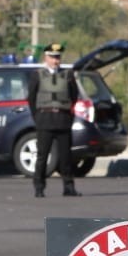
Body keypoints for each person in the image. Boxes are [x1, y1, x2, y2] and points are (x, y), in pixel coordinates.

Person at [26, 42, 80, 198]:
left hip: (63, 119)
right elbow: (31, 98)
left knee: (66, 156)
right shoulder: (37, 75)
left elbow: (74, 96)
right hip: (45, 119)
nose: (56, 60)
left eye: (58, 57)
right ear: (46, 57)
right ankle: (39, 187)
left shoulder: (68, 75)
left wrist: (69, 116)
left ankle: (69, 187)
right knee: (42, 155)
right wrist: (37, 117)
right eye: (52, 57)